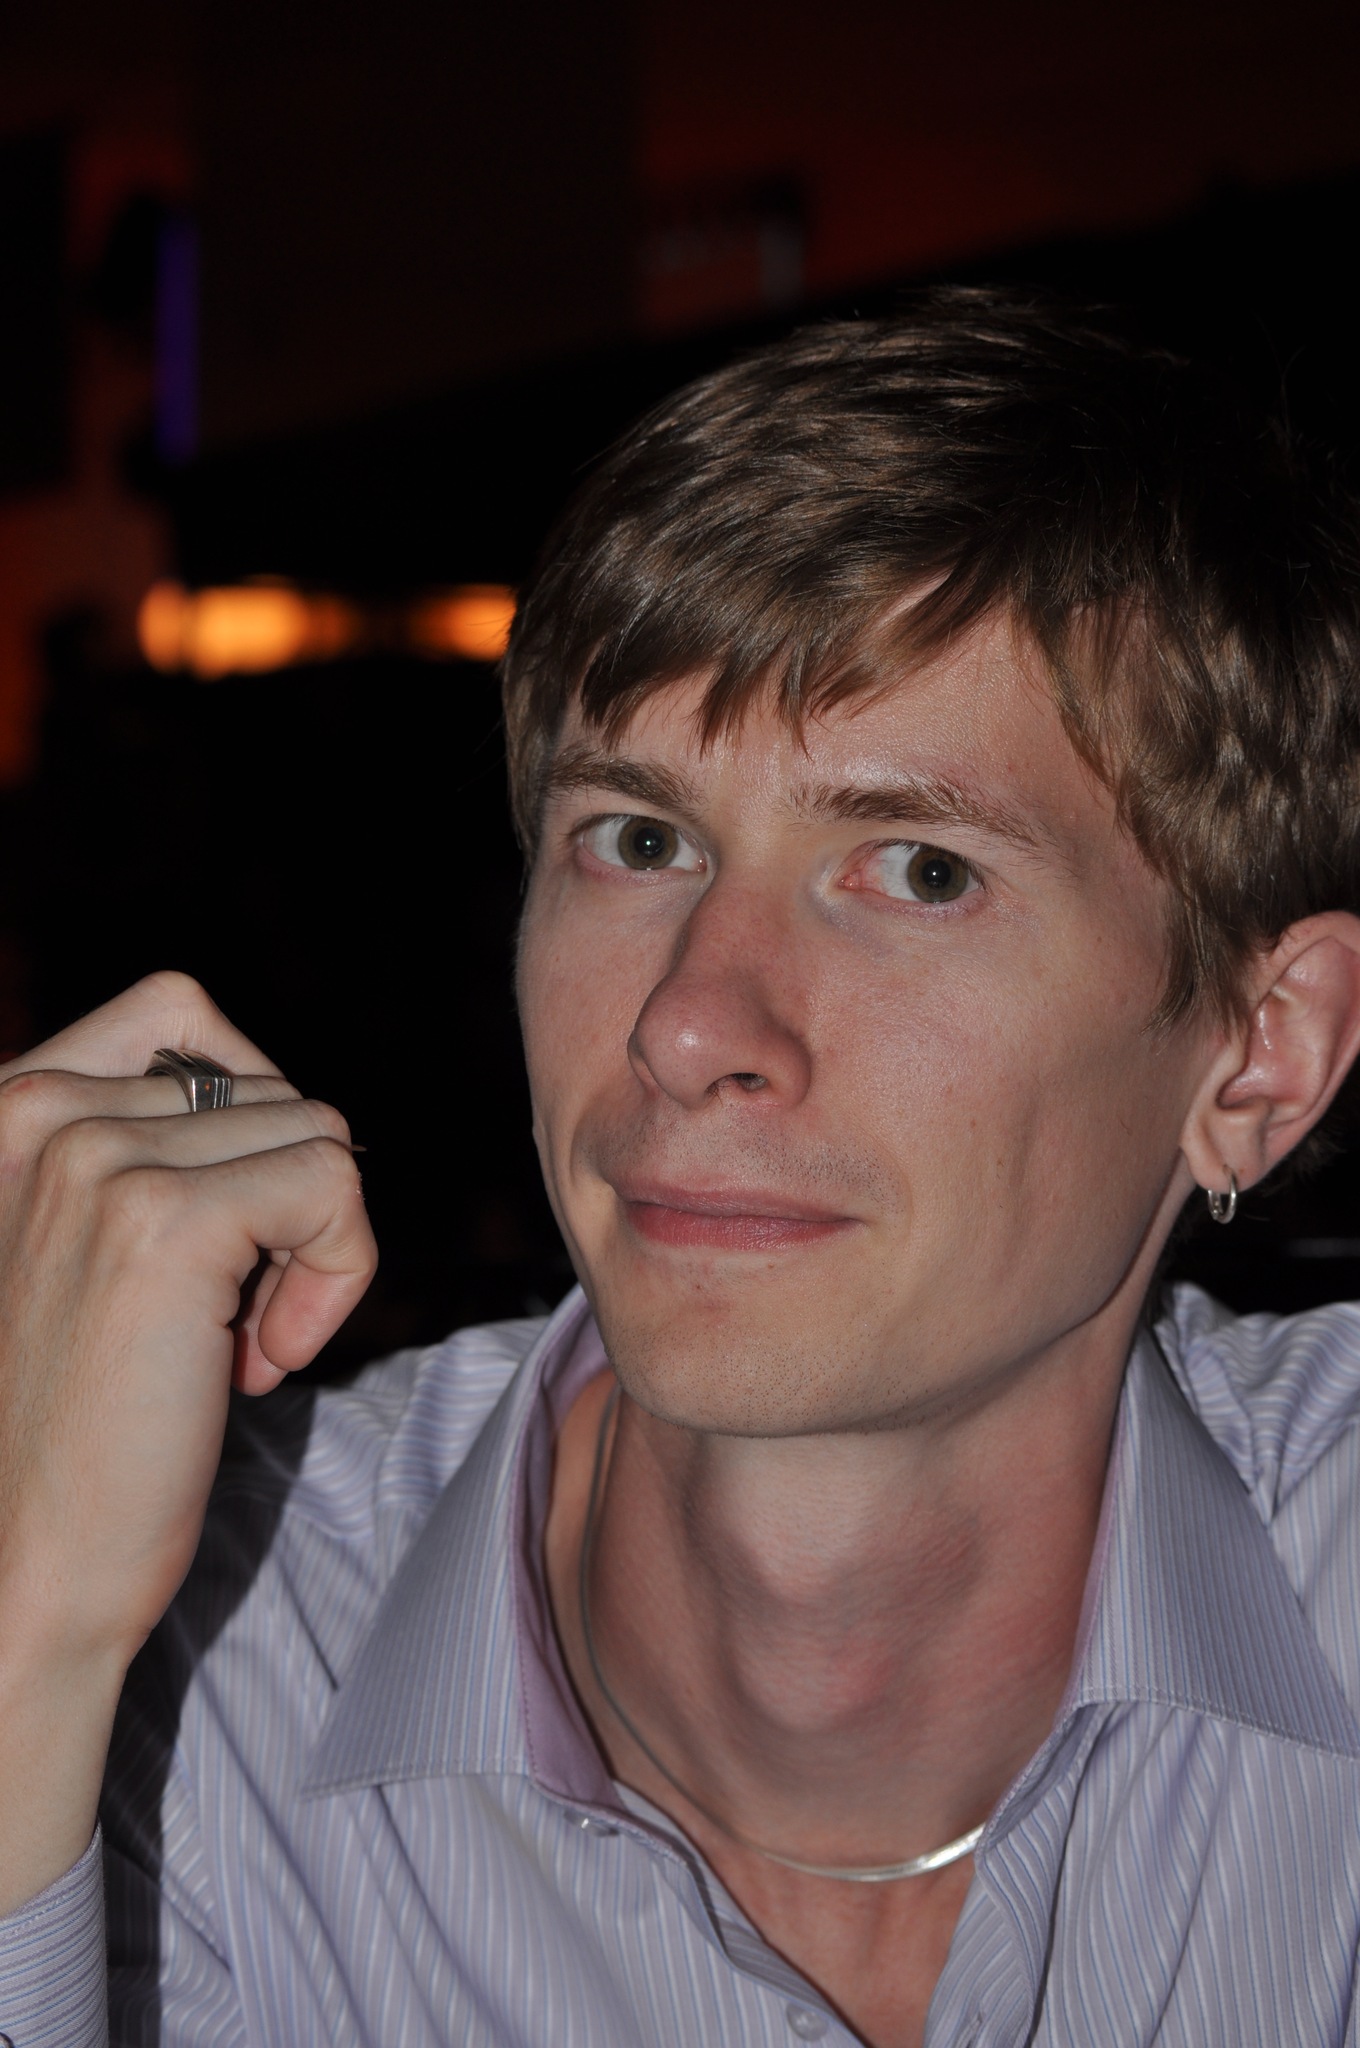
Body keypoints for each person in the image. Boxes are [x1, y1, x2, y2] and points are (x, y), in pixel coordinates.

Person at [2, 287, 1360, 2048]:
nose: (689, 1022)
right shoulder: (198, 1654)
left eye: (920, 870)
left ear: (1260, 1053)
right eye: (639, 840)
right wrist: (24, 1637)